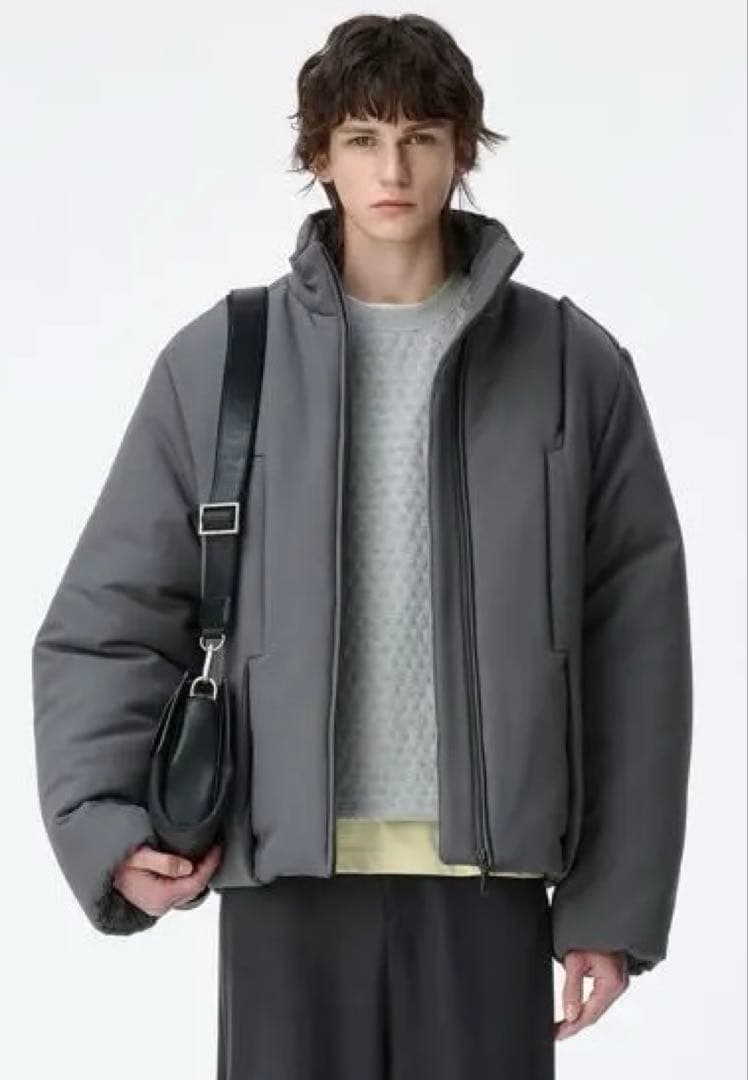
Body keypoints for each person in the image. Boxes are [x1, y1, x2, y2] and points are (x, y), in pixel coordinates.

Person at [31, 13, 693, 1080]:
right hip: (283, 875)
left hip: (491, 887)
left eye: (421, 136)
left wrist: (611, 907)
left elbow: (638, 654)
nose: (392, 169)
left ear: (462, 150)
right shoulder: (222, 364)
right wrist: (105, 827)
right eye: (362, 138)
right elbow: (109, 617)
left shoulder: (572, 366)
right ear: (320, 155)